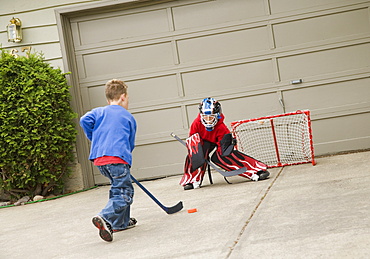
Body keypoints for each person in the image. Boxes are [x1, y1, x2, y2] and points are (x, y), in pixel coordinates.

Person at [80, 79, 137, 242]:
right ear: (123, 97)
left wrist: (95, 138)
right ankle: (105, 217)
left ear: (108, 99)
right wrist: (124, 160)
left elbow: (84, 120)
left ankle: (121, 223)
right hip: (117, 159)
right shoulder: (128, 117)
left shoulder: (98, 112)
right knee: (125, 193)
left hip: (99, 160)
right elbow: (130, 143)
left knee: (119, 189)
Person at [180, 97, 270, 190]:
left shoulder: (221, 127)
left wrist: (228, 146)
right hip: (203, 141)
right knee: (196, 155)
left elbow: (224, 148)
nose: (208, 120)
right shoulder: (196, 124)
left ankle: (255, 171)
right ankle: (192, 180)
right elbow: (193, 140)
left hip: (217, 140)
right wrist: (198, 154)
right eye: (205, 117)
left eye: (211, 117)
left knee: (225, 156)